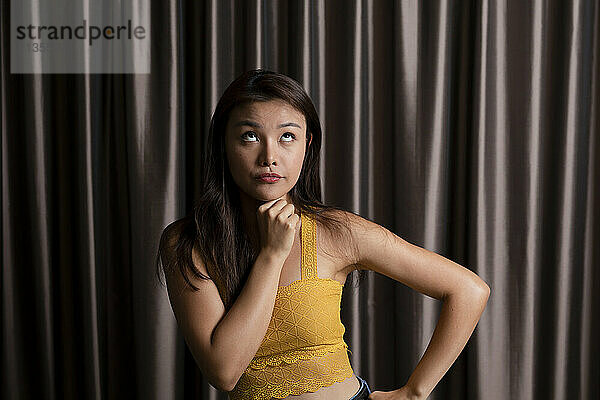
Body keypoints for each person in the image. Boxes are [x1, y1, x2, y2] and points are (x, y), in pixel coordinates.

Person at [156, 69, 490, 400]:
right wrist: (272, 255)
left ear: (307, 144)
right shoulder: (187, 243)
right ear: (224, 144)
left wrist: (414, 392)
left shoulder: (337, 232)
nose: (269, 157)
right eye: (250, 136)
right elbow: (224, 372)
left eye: (287, 136)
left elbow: (469, 290)